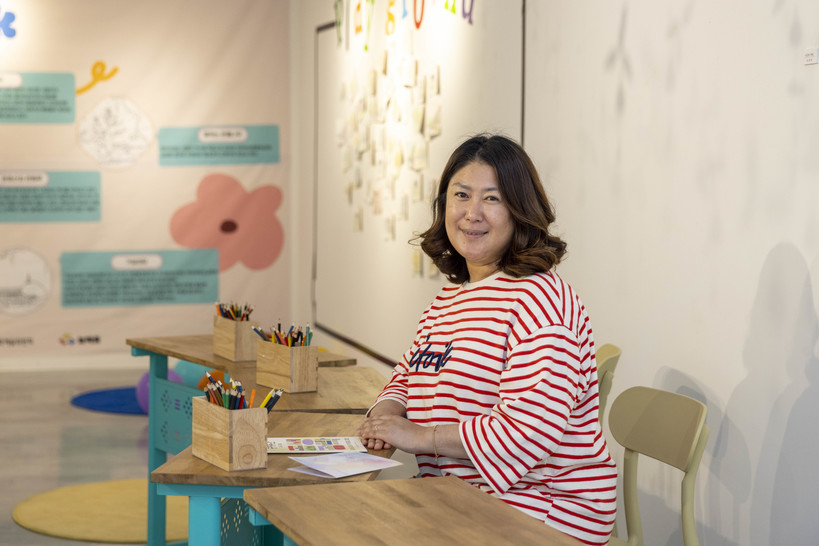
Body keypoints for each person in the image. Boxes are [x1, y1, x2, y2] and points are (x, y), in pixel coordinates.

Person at [358, 133, 617, 545]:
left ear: (520, 210)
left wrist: (420, 436)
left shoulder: (541, 301)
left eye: (492, 199)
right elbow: (410, 372)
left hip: (543, 512)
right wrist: (386, 414)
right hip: (463, 500)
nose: (471, 213)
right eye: (461, 195)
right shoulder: (451, 298)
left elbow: (527, 430)